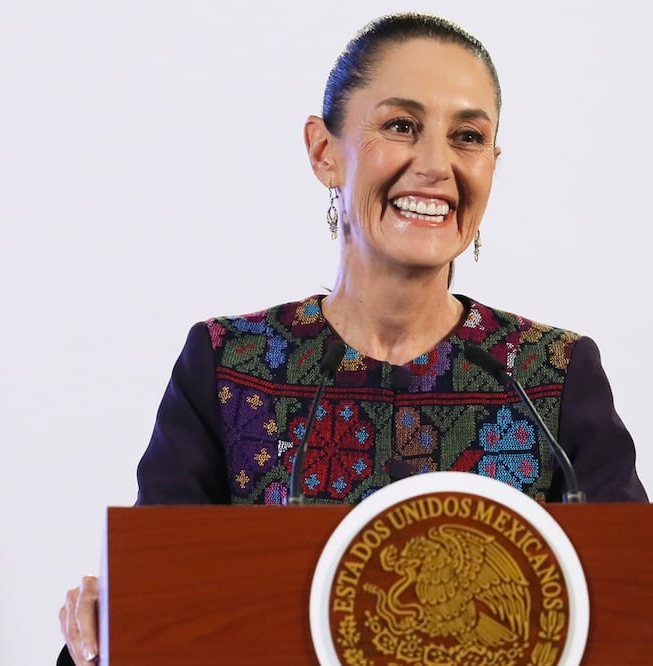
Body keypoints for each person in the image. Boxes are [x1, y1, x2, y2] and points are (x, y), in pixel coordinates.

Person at [57, 11, 648, 664]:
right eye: (401, 126)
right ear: (322, 151)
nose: (437, 164)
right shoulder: (228, 367)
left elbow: (627, 612)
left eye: (468, 136)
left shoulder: (550, 375)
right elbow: (164, 614)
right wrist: (102, 630)